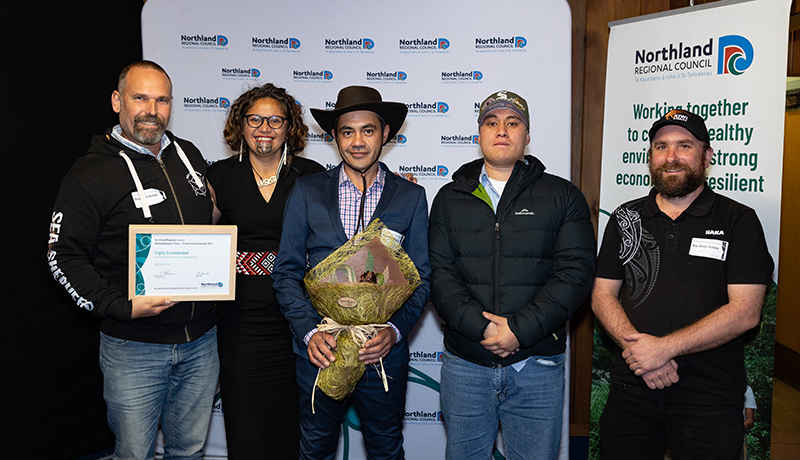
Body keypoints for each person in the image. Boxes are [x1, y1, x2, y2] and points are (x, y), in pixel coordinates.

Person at [47, 60, 218, 460]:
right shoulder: (90, 174)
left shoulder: (189, 156)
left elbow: (207, 216)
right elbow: (63, 257)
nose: (151, 110)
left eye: (162, 100)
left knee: (189, 451)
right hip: (134, 348)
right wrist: (120, 307)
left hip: (201, 342)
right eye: (140, 97)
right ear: (116, 101)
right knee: (134, 454)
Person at [592, 109, 774, 459]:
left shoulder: (739, 220)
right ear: (650, 156)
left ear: (707, 156)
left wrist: (663, 349)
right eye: (661, 146)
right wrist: (644, 355)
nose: (671, 157)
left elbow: (746, 312)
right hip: (632, 388)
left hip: (709, 396)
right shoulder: (625, 219)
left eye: (684, 145)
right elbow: (602, 295)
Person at [428, 89, 596, 460]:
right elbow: (440, 275)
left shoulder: (563, 196)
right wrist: (483, 328)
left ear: (527, 136)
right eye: (491, 122)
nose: (501, 130)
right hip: (466, 365)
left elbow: (576, 273)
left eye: (512, 122)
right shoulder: (448, 198)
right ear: (479, 135)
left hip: (537, 365)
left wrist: (519, 330)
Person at [271, 85, 431, 460]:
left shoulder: (411, 197)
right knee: (315, 448)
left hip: (382, 356)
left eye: (368, 130)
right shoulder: (308, 191)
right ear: (334, 137)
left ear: (386, 134)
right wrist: (310, 332)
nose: (357, 141)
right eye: (347, 131)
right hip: (321, 350)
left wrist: (393, 332)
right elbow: (285, 272)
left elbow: (422, 279)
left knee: (386, 448)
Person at [206, 83, 325, 459]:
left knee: (296, 429)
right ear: (240, 125)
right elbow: (199, 242)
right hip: (240, 325)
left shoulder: (311, 175)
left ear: (290, 127)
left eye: (276, 120)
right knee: (246, 430)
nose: (265, 128)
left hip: (300, 322)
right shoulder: (219, 177)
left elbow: (341, 236)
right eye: (255, 119)